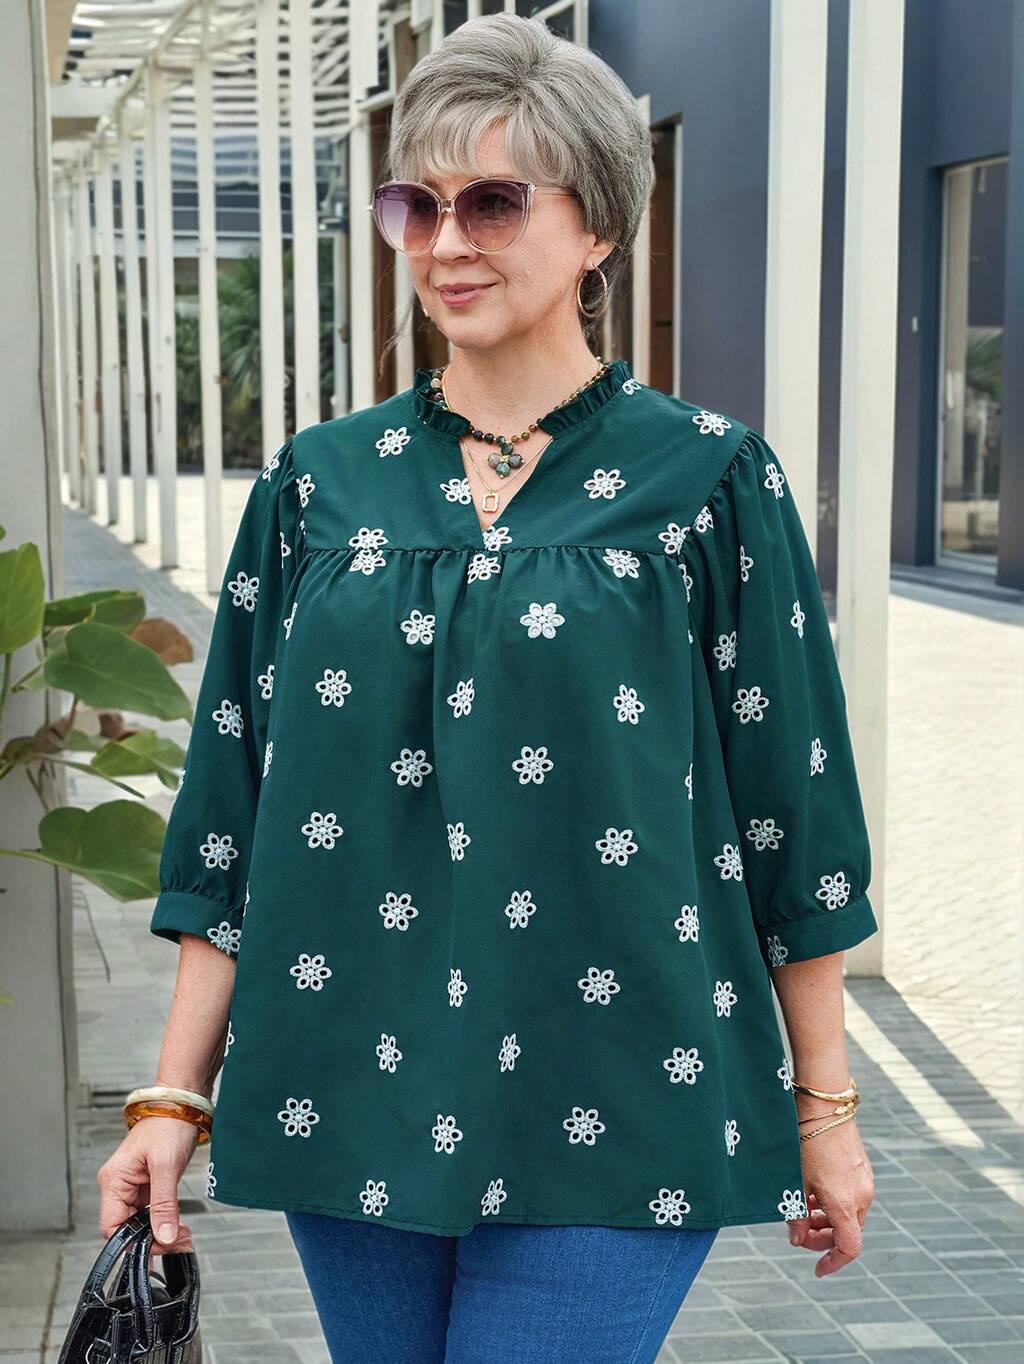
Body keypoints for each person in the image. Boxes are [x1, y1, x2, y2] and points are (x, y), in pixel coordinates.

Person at [97, 12, 877, 1362]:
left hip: (626, 1080)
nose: (445, 241)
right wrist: (172, 1098)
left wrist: (827, 1108)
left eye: (494, 202)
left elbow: (794, 813)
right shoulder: (317, 487)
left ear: (600, 227)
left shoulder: (707, 479)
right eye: (417, 204)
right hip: (351, 1072)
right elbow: (231, 809)